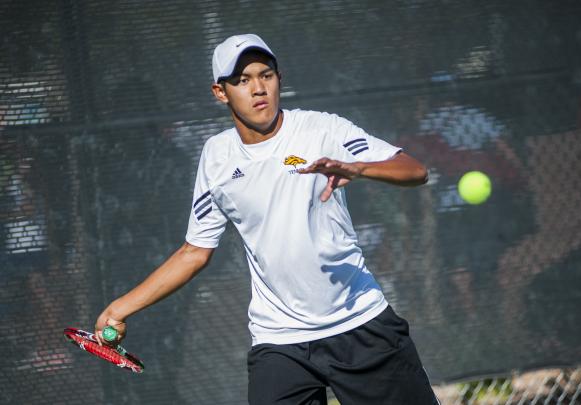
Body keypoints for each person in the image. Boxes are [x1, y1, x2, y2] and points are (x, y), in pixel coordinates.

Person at [95, 34, 439, 404]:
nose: (258, 88)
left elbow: (415, 170)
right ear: (220, 92)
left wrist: (358, 168)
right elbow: (194, 251)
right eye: (242, 80)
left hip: (360, 324)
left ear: (279, 79)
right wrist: (119, 308)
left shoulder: (322, 129)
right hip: (280, 342)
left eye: (266, 75)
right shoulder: (217, 156)